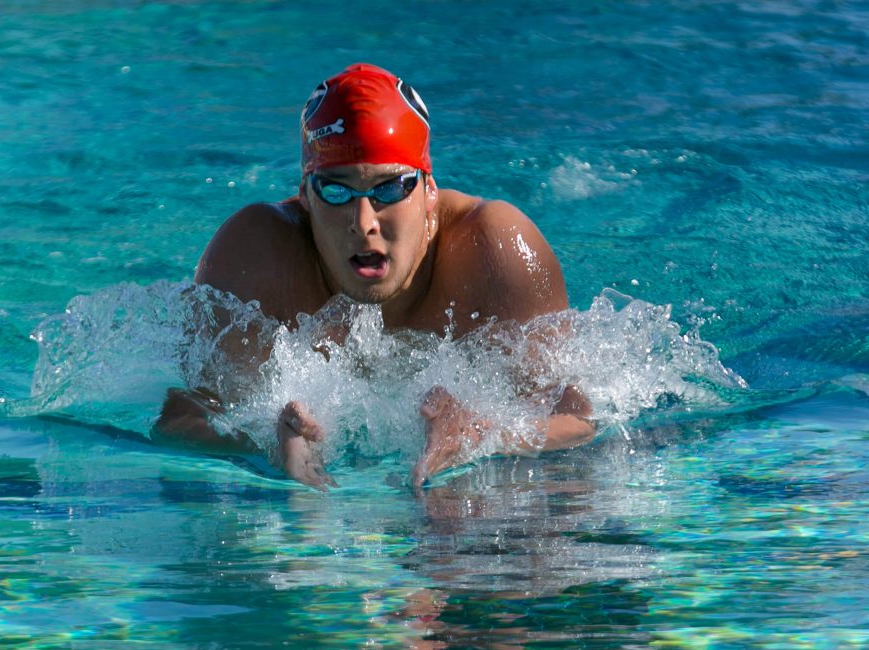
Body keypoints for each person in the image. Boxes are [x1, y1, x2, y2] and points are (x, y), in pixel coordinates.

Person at [154, 63, 595, 490]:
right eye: (336, 190)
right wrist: (265, 444)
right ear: (306, 194)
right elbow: (180, 419)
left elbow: (577, 420)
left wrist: (485, 433)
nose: (363, 221)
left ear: (429, 191)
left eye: (389, 188)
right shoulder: (255, 256)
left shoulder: (496, 253)